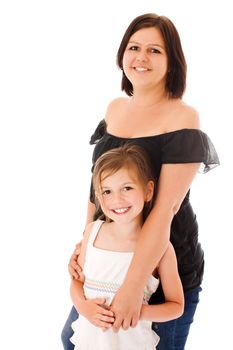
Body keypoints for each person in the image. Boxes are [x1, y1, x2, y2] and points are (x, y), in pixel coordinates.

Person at [61, 13, 220, 350]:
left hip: (160, 267)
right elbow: (97, 188)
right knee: (72, 339)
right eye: (134, 47)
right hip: (110, 259)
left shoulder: (183, 117)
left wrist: (133, 289)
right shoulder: (115, 108)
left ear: (172, 61)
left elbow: (164, 210)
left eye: (155, 50)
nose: (141, 57)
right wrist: (85, 245)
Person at [69, 144, 184, 349]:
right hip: (91, 341)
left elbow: (176, 307)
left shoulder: (161, 248)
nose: (117, 200)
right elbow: (77, 282)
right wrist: (83, 307)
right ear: (98, 194)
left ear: (148, 191)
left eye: (127, 188)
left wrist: (138, 311)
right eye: (107, 191)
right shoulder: (92, 232)